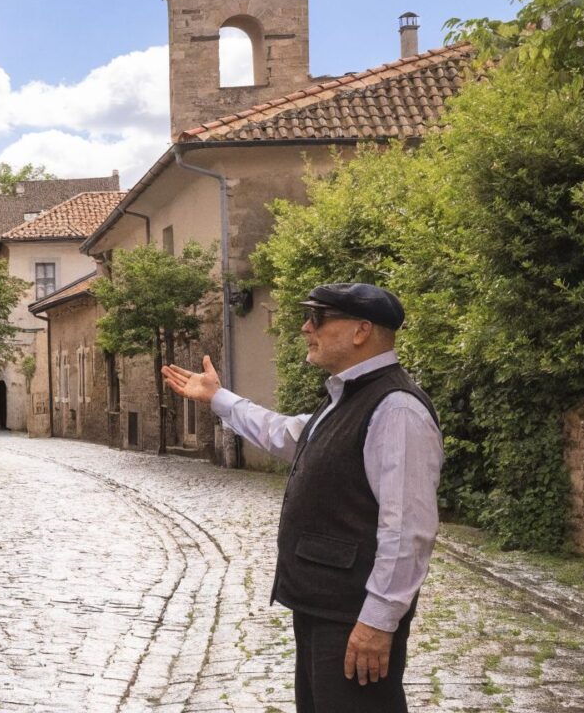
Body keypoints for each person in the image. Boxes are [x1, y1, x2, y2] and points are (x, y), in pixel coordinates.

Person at [162, 282, 442, 713]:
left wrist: (377, 621)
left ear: (361, 331)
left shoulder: (397, 409)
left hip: (353, 617)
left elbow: (407, 530)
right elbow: (286, 433)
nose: (305, 327)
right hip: (321, 608)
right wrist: (219, 398)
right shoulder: (346, 399)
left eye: (319, 318)